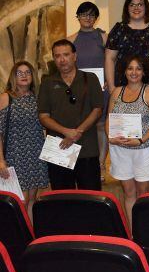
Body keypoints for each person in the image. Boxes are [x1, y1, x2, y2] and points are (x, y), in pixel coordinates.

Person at [38, 40, 104, 190]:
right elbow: (43, 116)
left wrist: (77, 132)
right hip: (58, 149)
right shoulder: (47, 83)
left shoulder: (90, 78)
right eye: (57, 56)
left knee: (91, 198)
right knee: (62, 199)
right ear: (54, 59)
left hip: (87, 149)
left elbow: (98, 109)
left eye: (66, 55)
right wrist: (66, 132)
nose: (62, 60)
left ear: (74, 56)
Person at [105, 55, 149, 228]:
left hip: (144, 148)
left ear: (144, 72)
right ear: (124, 71)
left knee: (143, 192)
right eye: (130, 68)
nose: (134, 72)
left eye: (138, 68)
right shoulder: (117, 92)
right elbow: (109, 119)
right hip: (120, 149)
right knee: (128, 192)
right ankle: (133, 231)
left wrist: (141, 140)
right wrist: (110, 136)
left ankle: (146, 229)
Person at [67, 1, 109, 180]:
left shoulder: (104, 37)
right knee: (79, 125)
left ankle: (100, 165)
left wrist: (109, 79)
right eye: (84, 14)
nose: (87, 18)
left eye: (91, 15)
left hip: (101, 88)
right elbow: (67, 67)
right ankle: (79, 164)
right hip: (78, 90)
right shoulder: (70, 39)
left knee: (100, 126)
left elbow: (111, 61)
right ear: (77, 17)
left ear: (96, 18)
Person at [0, 61, 47, 215]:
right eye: (19, 73)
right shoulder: (6, 97)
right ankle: (18, 236)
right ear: (13, 77)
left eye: (28, 72)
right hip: (15, 156)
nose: (24, 76)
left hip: (35, 154)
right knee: (20, 201)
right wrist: (1, 160)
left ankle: (31, 236)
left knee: (33, 200)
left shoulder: (37, 98)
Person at [105, 0, 149, 92]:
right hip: (122, 86)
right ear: (127, 8)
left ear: (146, 7)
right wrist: (111, 87)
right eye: (132, 5)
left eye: (140, 4)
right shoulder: (118, 29)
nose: (136, 8)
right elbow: (109, 58)